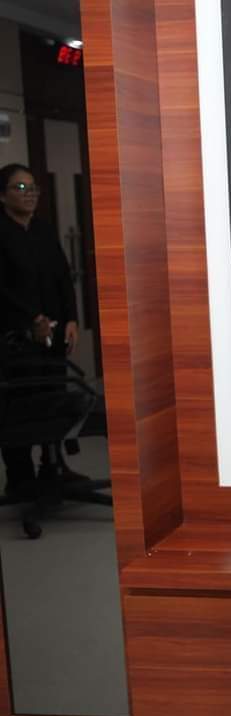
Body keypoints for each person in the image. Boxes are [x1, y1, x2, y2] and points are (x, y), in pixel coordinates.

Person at [0, 163, 79, 499]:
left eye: (33, 187)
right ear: (2, 195)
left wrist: (71, 318)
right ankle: (20, 477)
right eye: (20, 187)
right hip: (16, 338)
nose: (29, 193)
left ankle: (53, 465)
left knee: (53, 400)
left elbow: (63, 275)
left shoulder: (43, 230)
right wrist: (31, 319)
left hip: (53, 334)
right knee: (20, 407)